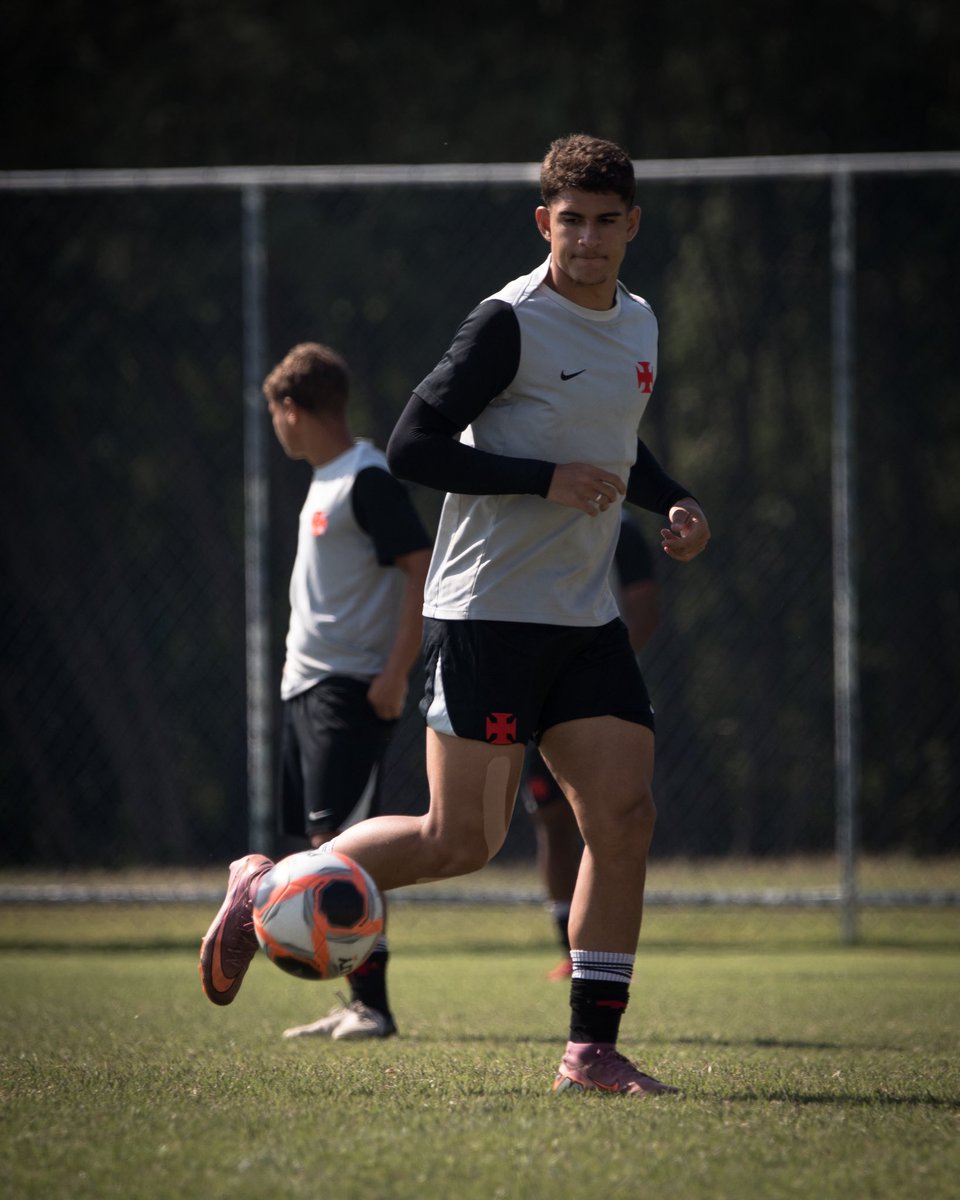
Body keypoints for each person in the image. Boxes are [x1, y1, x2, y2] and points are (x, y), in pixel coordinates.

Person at [200, 134, 710, 1097]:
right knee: (460, 843)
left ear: (633, 226)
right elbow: (412, 444)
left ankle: (590, 1053)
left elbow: (616, 445)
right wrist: (544, 480)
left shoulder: (640, 323)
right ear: (544, 223)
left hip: (584, 617)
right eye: (572, 221)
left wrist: (672, 501)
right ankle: (265, 884)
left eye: (607, 222)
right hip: (487, 613)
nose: (589, 240)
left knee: (625, 815)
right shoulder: (508, 323)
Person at [199, 342, 431, 1041]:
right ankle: (353, 996)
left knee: (343, 848)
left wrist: (395, 670)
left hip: (349, 687)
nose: (276, 426)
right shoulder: (325, 478)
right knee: (325, 842)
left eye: (274, 414)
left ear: (291, 408)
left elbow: (420, 567)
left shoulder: (367, 477)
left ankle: (373, 1007)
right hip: (304, 685)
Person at [521, 508, 661, 982]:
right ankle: (568, 945)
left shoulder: (621, 529)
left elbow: (644, 610)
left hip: (596, 697)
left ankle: (603, 951)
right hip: (534, 690)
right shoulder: (530, 519)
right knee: (550, 818)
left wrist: (597, 677)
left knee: (611, 818)